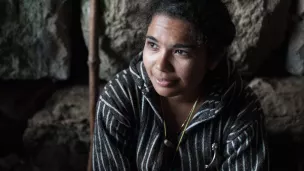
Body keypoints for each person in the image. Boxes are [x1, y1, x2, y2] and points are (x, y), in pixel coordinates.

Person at [92, 0, 268, 170]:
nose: (161, 65)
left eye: (180, 52)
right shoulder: (120, 98)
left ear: (213, 58)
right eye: (153, 45)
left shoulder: (241, 110)